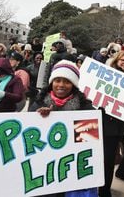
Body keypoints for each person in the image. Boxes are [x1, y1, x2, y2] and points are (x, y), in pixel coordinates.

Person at [29, 60, 96, 197]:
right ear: (51, 82)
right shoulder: (38, 103)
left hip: (69, 169)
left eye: (66, 81)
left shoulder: (85, 108)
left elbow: (89, 141)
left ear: (73, 84)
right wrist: (38, 118)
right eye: (57, 80)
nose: (61, 85)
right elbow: (27, 134)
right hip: (42, 170)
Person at [98, 51, 124, 197]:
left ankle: (122, 173)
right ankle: (104, 191)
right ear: (117, 60)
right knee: (108, 161)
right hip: (110, 126)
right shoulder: (107, 75)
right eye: (123, 60)